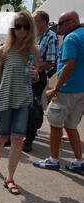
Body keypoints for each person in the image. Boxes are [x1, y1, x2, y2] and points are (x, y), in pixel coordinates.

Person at [0, 11, 40, 195]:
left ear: (30, 29)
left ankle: (10, 178)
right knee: (2, 137)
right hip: (5, 98)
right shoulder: (3, 50)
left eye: (26, 26)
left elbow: (35, 77)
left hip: (23, 99)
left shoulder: (34, 51)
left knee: (17, 138)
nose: (22, 30)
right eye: (18, 26)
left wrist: (36, 75)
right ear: (13, 28)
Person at [33, 10, 84, 173]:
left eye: (61, 23)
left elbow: (69, 65)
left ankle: (53, 160)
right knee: (71, 126)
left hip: (66, 89)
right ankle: (78, 160)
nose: (58, 27)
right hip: (80, 90)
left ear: (72, 22)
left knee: (55, 124)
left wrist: (55, 89)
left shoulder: (71, 38)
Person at [23, 10, 59, 153]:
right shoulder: (31, 36)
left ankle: (29, 139)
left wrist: (34, 68)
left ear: (44, 22)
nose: (31, 23)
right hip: (23, 75)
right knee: (21, 105)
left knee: (33, 108)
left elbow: (51, 62)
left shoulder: (51, 37)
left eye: (34, 20)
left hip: (38, 77)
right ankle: (16, 133)